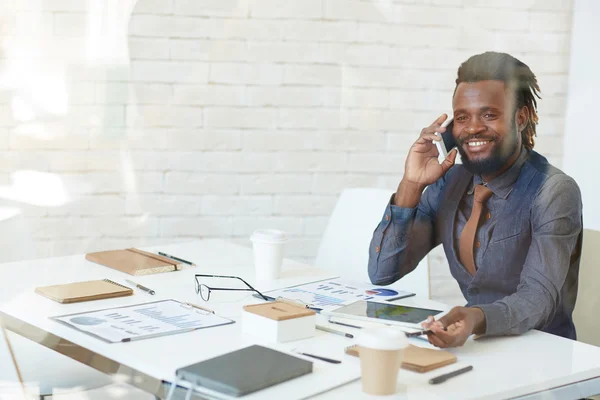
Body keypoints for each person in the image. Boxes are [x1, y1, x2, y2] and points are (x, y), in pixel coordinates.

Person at [368, 51, 583, 348]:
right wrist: (411, 185)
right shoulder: (449, 183)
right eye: (462, 118)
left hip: (543, 356)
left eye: (489, 115)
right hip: (479, 349)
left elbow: (537, 299)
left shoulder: (553, 191)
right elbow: (382, 273)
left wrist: (474, 318)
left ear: (520, 118)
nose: (472, 128)